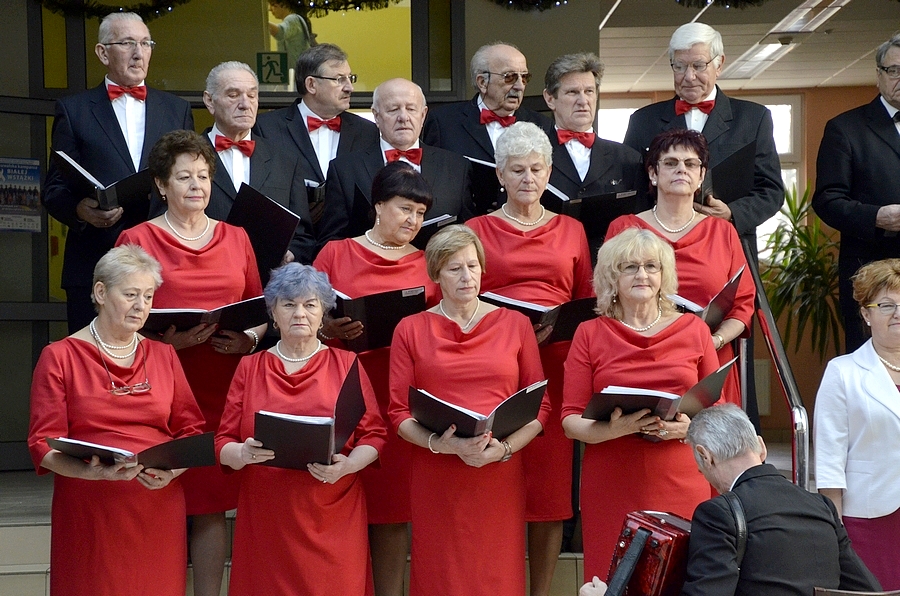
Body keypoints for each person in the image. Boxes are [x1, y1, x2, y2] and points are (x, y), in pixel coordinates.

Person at [116, 129, 264, 596]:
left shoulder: (236, 237)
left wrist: (249, 340)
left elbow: (259, 309)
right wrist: (166, 345)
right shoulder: (136, 238)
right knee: (154, 495)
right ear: (162, 184)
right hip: (158, 384)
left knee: (210, 501)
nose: (196, 185)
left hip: (223, 380)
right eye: (184, 177)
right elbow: (117, 316)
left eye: (203, 175)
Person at [27, 244, 205, 596]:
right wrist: (93, 473)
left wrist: (172, 472)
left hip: (157, 505)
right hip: (91, 507)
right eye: (131, 294)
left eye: (149, 296)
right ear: (100, 292)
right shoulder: (59, 356)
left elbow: (192, 430)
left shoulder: (164, 355)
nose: (141, 306)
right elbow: (42, 445)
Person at [388, 224, 548, 596]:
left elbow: (541, 406)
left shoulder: (515, 324)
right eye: (455, 268)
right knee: (440, 574)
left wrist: (504, 449)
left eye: (473, 266)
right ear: (436, 274)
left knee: (497, 573)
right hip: (437, 472)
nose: (467, 276)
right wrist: (445, 445)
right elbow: (398, 413)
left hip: (498, 471)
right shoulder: (410, 329)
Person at [466, 121, 592, 596]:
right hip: (493, 364)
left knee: (549, 489)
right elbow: (458, 296)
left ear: (549, 172)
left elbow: (587, 300)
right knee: (494, 480)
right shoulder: (475, 230)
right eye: (517, 169)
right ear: (499, 174)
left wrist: (560, 323)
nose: (528, 178)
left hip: (556, 364)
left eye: (536, 169)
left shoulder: (572, 230)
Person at [216, 263, 387, 596]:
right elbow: (223, 442)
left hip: (332, 510)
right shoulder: (250, 366)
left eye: (310, 304)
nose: (299, 313)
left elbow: (375, 435)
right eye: (289, 304)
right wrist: (243, 453)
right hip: (268, 518)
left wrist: (349, 465)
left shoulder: (346, 363)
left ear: (323, 313)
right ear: (273, 313)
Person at [562, 227, 718, 581]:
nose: (642, 275)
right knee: (613, 579)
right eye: (629, 267)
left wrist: (689, 428)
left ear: (664, 275)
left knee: (678, 579)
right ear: (611, 278)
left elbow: (719, 413)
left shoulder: (694, 329)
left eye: (651, 266)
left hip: (680, 476)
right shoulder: (589, 333)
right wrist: (615, 429)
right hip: (612, 478)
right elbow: (570, 420)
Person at [313, 162, 440, 596]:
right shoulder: (335, 253)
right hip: (342, 388)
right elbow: (304, 314)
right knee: (336, 501)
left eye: (420, 214)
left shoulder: (427, 263)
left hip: (400, 391)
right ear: (378, 205)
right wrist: (327, 328)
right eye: (405, 209)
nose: (413, 221)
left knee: (391, 510)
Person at [41, 12, 193, 333]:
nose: (139, 53)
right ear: (102, 53)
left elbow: (189, 182)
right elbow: (54, 188)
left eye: (146, 43)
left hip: (164, 262)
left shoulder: (176, 110)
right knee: (93, 359)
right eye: (127, 43)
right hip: (95, 261)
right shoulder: (74, 109)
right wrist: (81, 211)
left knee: (159, 358)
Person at [606, 129, 754, 408]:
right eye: (671, 163)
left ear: (701, 176)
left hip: (707, 358)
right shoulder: (623, 228)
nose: (681, 169)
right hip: (638, 356)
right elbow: (606, 296)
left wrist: (714, 341)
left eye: (691, 164)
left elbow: (742, 306)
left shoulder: (724, 232)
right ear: (653, 173)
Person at [623, 22, 783, 264]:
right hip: (657, 251)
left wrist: (732, 213)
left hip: (727, 248)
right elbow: (632, 191)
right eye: (680, 66)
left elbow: (771, 190)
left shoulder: (753, 119)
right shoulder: (643, 121)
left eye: (698, 66)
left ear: (720, 64)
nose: (689, 77)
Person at [684, 404, 881, 595]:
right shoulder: (822, 506)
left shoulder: (718, 513)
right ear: (762, 447)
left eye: (701, 470)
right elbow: (868, 590)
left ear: (706, 456)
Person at [156, 61, 315, 264]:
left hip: (268, 277)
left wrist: (290, 253)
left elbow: (303, 236)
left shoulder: (285, 160)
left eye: (252, 95)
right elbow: (161, 224)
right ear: (209, 101)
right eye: (233, 95)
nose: (245, 104)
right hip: (202, 270)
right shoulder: (179, 160)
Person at [815, 258, 900, 590]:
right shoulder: (843, 372)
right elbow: (829, 461)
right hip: (869, 519)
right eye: (886, 305)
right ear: (865, 314)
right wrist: (835, 532)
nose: (897, 313)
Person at [811, 34, 900, 353]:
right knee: (873, 367)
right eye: (894, 70)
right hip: (873, 273)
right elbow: (826, 200)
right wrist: (876, 217)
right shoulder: (846, 128)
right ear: (878, 75)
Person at [318, 78, 474, 249]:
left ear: (423, 115)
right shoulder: (345, 169)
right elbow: (331, 241)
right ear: (376, 116)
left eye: (411, 109)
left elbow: (467, 235)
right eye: (393, 109)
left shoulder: (457, 167)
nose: (403, 117)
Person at [254, 43, 379, 227]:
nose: (349, 87)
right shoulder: (266, 128)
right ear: (311, 84)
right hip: (292, 240)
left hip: (348, 240)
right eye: (339, 79)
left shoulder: (367, 131)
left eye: (350, 78)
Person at [423, 42, 553, 214]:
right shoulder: (443, 122)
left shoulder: (541, 125)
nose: (520, 86)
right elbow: (431, 180)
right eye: (509, 77)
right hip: (464, 225)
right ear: (482, 82)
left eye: (524, 78)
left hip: (522, 223)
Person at [543, 52, 646, 257]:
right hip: (551, 262)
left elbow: (640, 223)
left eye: (589, 91)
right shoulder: (533, 156)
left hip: (609, 265)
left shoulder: (628, 158)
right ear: (550, 99)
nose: (583, 101)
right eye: (572, 92)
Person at [267, 0, 314, 70]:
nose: (270, 9)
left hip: (297, 73)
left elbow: (280, 33)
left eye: (273, 5)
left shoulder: (293, 19)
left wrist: (261, 21)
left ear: (284, 5)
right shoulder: (295, 20)